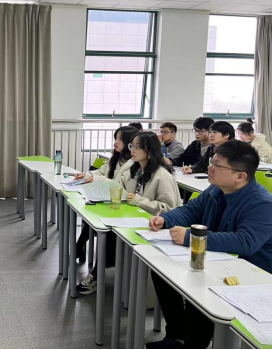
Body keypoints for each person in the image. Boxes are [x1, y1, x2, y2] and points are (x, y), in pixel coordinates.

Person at [146, 140, 272, 350]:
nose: (210, 168)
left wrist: (191, 237)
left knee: (199, 290)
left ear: (240, 176)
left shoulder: (262, 203)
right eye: (212, 162)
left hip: (250, 273)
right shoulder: (215, 190)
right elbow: (190, 211)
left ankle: (193, 344)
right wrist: (165, 219)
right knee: (162, 273)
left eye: (218, 165)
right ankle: (178, 335)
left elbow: (245, 242)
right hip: (219, 261)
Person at [78, 132, 182, 295]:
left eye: (137, 147)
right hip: (135, 219)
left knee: (110, 235)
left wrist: (139, 201)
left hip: (156, 227)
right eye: (132, 145)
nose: (133, 150)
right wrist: (96, 183)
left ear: (149, 150)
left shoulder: (162, 176)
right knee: (107, 227)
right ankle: (99, 274)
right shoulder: (135, 169)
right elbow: (118, 187)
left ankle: (97, 276)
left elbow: (170, 209)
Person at [74, 126, 139, 268]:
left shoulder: (133, 163)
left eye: (120, 139)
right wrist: (86, 175)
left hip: (122, 204)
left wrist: (96, 179)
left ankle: (80, 249)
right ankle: (79, 247)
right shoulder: (116, 158)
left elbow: (119, 185)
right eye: (116, 138)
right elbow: (101, 171)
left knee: (97, 219)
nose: (116, 142)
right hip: (109, 199)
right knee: (90, 214)